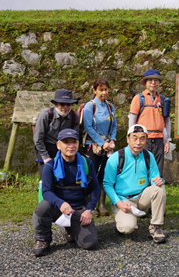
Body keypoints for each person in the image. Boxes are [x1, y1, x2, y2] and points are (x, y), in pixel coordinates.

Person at [32, 129, 99, 257]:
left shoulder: (87, 163)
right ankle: (42, 239)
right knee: (43, 207)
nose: (71, 146)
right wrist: (60, 203)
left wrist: (89, 209)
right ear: (58, 145)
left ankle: (71, 229)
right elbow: (46, 191)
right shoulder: (50, 166)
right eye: (66, 142)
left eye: (74, 142)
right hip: (57, 208)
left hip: (79, 209)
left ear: (78, 144)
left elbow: (95, 188)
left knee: (90, 243)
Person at [103, 124, 167, 244]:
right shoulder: (116, 157)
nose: (139, 142)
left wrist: (159, 180)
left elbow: (155, 176)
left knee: (159, 189)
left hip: (141, 197)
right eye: (135, 138)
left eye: (142, 138)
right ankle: (121, 223)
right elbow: (107, 184)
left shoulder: (148, 156)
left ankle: (156, 226)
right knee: (127, 228)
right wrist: (119, 203)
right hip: (123, 200)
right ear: (128, 139)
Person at [82, 78, 118, 217]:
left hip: (108, 145)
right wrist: (102, 143)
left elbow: (114, 125)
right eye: (101, 90)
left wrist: (112, 140)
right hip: (93, 145)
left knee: (105, 174)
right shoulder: (90, 106)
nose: (104, 92)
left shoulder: (110, 106)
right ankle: (90, 203)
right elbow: (88, 127)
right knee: (91, 175)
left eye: (106, 89)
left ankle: (102, 204)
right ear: (94, 90)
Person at [129, 69, 172, 177]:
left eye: (156, 80)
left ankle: (156, 192)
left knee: (158, 169)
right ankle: (141, 193)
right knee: (142, 168)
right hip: (143, 139)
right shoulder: (139, 99)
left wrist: (167, 140)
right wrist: (132, 138)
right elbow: (132, 120)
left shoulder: (162, 100)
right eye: (150, 80)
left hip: (159, 140)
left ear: (159, 83)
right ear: (145, 83)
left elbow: (167, 121)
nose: (153, 83)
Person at [33, 89, 80, 177]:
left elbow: (75, 138)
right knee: (47, 176)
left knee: (64, 177)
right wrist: (45, 157)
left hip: (64, 148)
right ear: (55, 104)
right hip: (46, 146)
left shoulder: (75, 117)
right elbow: (38, 138)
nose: (65, 107)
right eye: (62, 104)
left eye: (68, 104)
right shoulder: (46, 115)